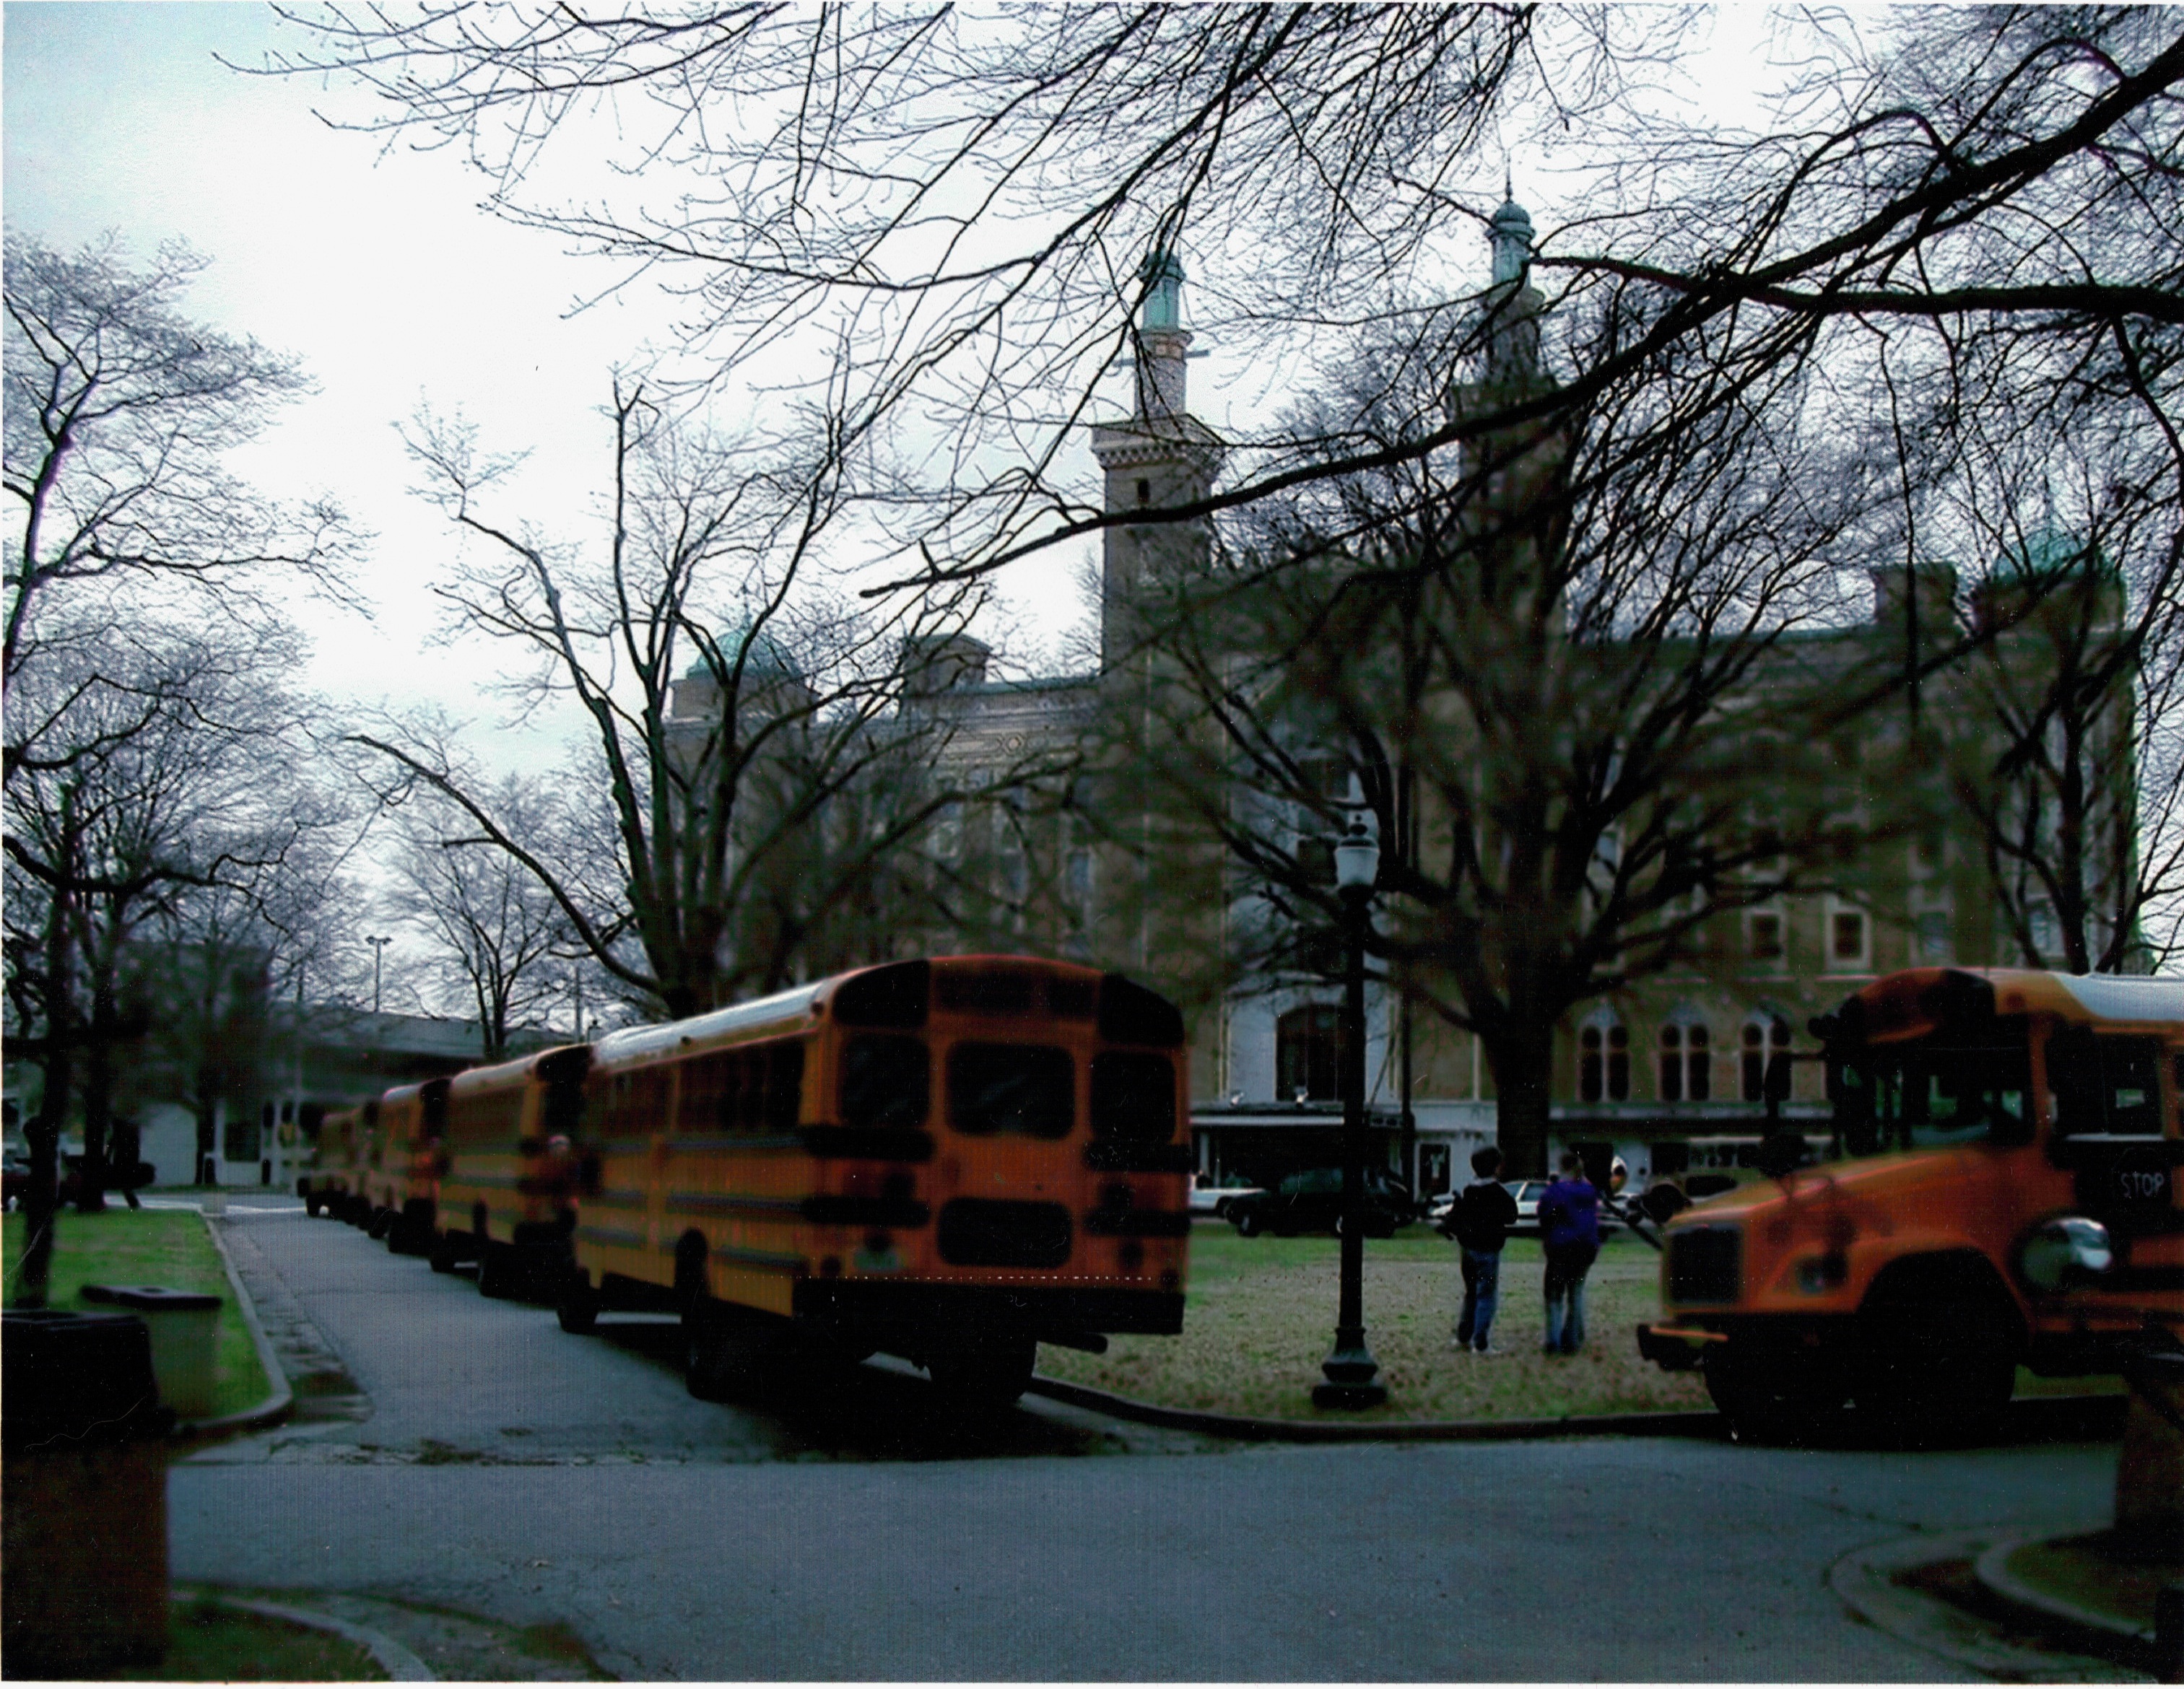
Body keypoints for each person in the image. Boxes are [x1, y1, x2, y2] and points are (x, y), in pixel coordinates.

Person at [1443, 1145, 1518, 1353]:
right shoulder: (1497, 1193)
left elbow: (1456, 1215)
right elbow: (1511, 1216)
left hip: (1468, 1248)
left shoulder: (1469, 1191)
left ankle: (1464, 1336)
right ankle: (1481, 1342)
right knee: (1486, 1295)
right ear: (1496, 1167)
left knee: (1471, 1294)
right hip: (1488, 1248)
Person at [1539, 1148, 1601, 1356]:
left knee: (1554, 1295)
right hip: (1586, 1247)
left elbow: (1544, 1215)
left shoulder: (1555, 1191)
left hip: (1561, 1247)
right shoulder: (1590, 1191)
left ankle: (1553, 1340)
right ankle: (1573, 1340)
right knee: (1576, 1293)